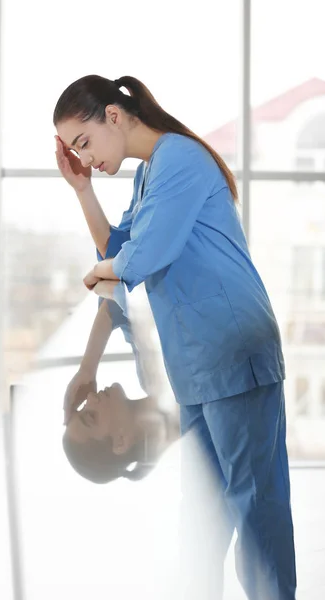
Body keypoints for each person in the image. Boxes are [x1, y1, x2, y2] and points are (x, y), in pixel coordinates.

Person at [53, 75, 296, 599]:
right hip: (198, 369)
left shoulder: (179, 159)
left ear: (113, 117)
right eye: (76, 150)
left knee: (256, 513)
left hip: (235, 350)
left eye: (85, 143)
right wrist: (83, 190)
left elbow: (142, 258)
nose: (86, 156)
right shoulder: (147, 178)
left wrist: (106, 273)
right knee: (202, 523)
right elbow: (114, 249)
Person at [63, 294, 180, 484]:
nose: (90, 397)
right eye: (91, 416)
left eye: (83, 406)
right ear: (120, 440)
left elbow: (120, 300)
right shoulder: (190, 411)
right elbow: (125, 295)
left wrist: (88, 369)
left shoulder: (148, 376)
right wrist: (88, 366)